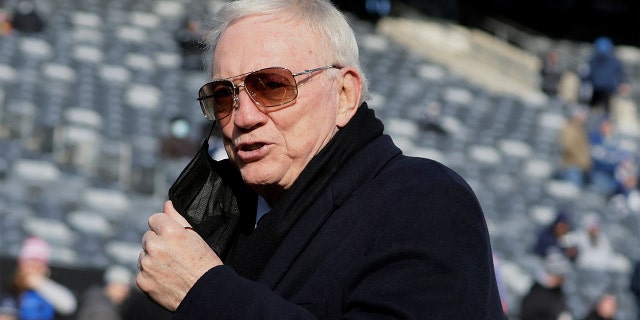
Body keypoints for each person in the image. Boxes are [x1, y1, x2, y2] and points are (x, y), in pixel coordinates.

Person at [135, 0, 505, 319]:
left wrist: (205, 291)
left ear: (344, 94)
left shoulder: (425, 202)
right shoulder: (223, 218)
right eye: (222, 94)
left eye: (272, 85)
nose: (243, 117)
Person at [10, 236, 77, 320]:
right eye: (31, 261)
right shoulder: (11, 286)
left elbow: (68, 306)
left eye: (40, 261)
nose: (35, 266)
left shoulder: (53, 282)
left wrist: (40, 284)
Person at [519, 251, 573, 320]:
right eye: (560, 276)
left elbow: (562, 310)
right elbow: (528, 314)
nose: (562, 280)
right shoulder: (537, 292)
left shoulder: (558, 292)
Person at [584, 36, 630, 115]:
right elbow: (587, 74)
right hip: (597, 89)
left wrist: (623, 83)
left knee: (606, 111)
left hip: (608, 90)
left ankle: (604, 121)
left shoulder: (614, 61)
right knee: (594, 110)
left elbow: (622, 73)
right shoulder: (593, 60)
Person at [558, 105, 592, 188]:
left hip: (579, 168)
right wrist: (581, 160)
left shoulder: (580, 129)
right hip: (572, 166)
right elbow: (568, 146)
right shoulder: (570, 128)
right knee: (571, 190)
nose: (585, 118)